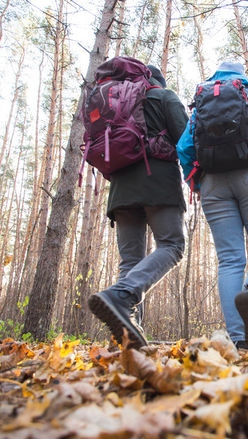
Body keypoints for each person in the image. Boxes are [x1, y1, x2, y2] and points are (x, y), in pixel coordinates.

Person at [177, 62, 248, 350]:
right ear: (241, 75)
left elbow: (184, 148)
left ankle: (240, 340)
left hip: (213, 184)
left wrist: (197, 185)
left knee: (229, 260)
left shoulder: (203, 99)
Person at [88, 65, 187, 349]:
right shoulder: (163, 95)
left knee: (130, 261)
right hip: (158, 183)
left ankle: (128, 337)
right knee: (172, 246)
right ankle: (122, 294)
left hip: (120, 189)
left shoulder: (116, 102)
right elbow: (185, 139)